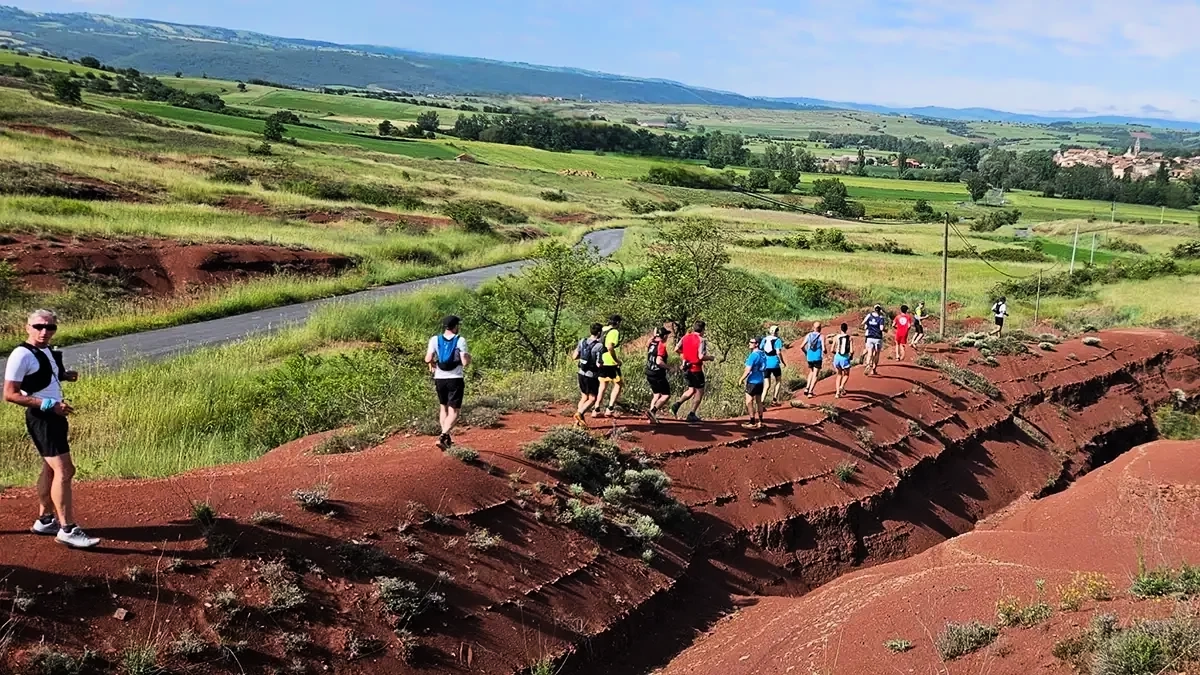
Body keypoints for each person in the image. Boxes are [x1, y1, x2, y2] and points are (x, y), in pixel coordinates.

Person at [3, 310, 99, 549]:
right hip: (42, 418)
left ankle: (45, 520)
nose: (44, 332)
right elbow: (10, 394)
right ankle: (67, 529)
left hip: (54, 416)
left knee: (50, 468)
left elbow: (41, 377)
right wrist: (49, 405)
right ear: (27, 327)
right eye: (39, 326)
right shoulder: (20, 354)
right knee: (65, 470)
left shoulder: (45, 350)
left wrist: (64, 375)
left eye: (50, 327)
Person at [425, 314, 471, 450]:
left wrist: (433, 363)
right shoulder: (460, 340)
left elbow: (427, 358)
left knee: (443, 407)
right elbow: (465, 363)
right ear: (455, 326)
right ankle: (443, 435)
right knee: (454, 411)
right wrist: (469, 358)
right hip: (455, 379)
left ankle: (446, 437)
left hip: (439, 378)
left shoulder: (434, 339)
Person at [672, 321, 713, 423]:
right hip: (696, 369)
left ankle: (677, 404)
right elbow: (701, 356)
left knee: (691, 390)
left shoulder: (685, 337)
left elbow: (676, 348)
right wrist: (710, 358)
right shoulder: (701, 340)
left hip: (686, 368)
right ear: (703, 329)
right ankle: (692, 414)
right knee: (699, 391)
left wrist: (684, 355)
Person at [572, 323, 604, 426]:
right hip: (592, 376)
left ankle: (577, 423)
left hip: (581, 373)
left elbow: (574, 356)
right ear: (599, 333)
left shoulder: (582, 341)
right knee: (592, 399)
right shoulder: (599, 346)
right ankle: (579, 413)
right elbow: (598, 364)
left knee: (584, 397)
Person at [593, 314, 623, 418]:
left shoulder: (603, 329)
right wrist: (617, 360)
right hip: (611, 363)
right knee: (619, 384)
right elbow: (610, 346)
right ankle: (610, 409)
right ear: (617, 323)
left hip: (601, 361)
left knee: (602, 385)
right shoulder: (614, 332)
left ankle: (596, 409)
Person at [644, 325, 672, 424]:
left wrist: (653, 336)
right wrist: (670, 368)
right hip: (657, 374)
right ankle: (653, 411)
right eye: (666, 335)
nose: (667, 337)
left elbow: (647, 344)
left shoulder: (651, 343)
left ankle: (651, 418)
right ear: (664, 336)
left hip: (649, 372)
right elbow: (659, 361)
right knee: (666, 395)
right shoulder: (661, 345)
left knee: (656, 394)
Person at [739, 337, 767, 429]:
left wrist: (741, 379)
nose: (749, 343)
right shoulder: (762, 354)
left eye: (752, 342)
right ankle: (761, 421)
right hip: (760, 380)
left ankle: (752, 421)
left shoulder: (753, 355)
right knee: (759, 401)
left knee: (749, 401)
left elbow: (747, 370)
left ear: (757, 344)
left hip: (752, 381)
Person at [760, 325, 787, 405]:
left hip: (766, 364)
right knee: (778, 380)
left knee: (766, 385)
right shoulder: (778, 340)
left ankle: (761, 402)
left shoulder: (764, 339)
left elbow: (761, 349)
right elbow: (778, 352)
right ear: (776, 332)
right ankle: (774, 400)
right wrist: (782, 362)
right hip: (775, 363)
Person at [828, 323, 854, 398]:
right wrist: (851, 356)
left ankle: (837, 393)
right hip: (845, 358)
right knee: (846, 374)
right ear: (847, 329)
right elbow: (851, 351)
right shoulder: (850, 338)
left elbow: (832, 349)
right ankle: (842, 386)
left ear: (841, 329)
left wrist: (836, 353)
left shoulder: (836, 337)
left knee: (839, 374)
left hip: (837, 358)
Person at [862, 304, 887, 376]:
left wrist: (868, 325)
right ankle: (874, 369)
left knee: (869, 352)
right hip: (878, 338)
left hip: (870, 336)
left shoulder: (869, 316)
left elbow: (863, 323)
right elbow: (881, 328)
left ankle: (868, 365)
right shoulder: (881, 318)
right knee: (877, 353)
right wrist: (885, 330)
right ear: (880, 310)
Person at [801, 322, 824, 397]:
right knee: (816, 375)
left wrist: (806, 353)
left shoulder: (808, 335)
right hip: (817, 357)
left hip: (809, 357)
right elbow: (824, 349)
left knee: (811, 371)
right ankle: (810, 392)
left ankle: (807, 388)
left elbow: (801, 346)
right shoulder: (821, 336)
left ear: (813, 327)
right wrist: (825, 351)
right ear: (820, 328)